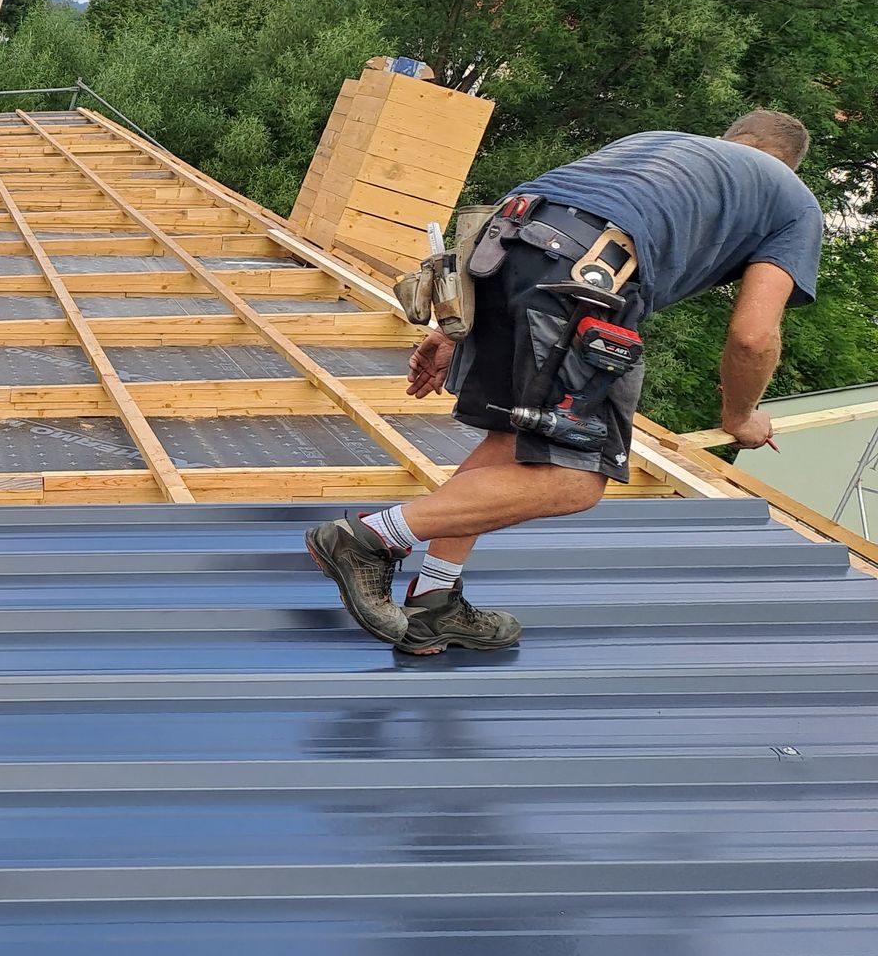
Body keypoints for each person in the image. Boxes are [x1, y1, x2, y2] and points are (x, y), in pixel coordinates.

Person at [306, 110, 823, 656]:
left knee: (509, 445)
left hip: (498, 249)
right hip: (580, 281)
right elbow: (752, 336)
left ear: (732, 139)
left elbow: (544, 227)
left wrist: (455, 329)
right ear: (788, 163)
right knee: (574, 480)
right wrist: (740, 418)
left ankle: (434, 603)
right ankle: (369, 539)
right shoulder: (791, 200)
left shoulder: (662, 145)